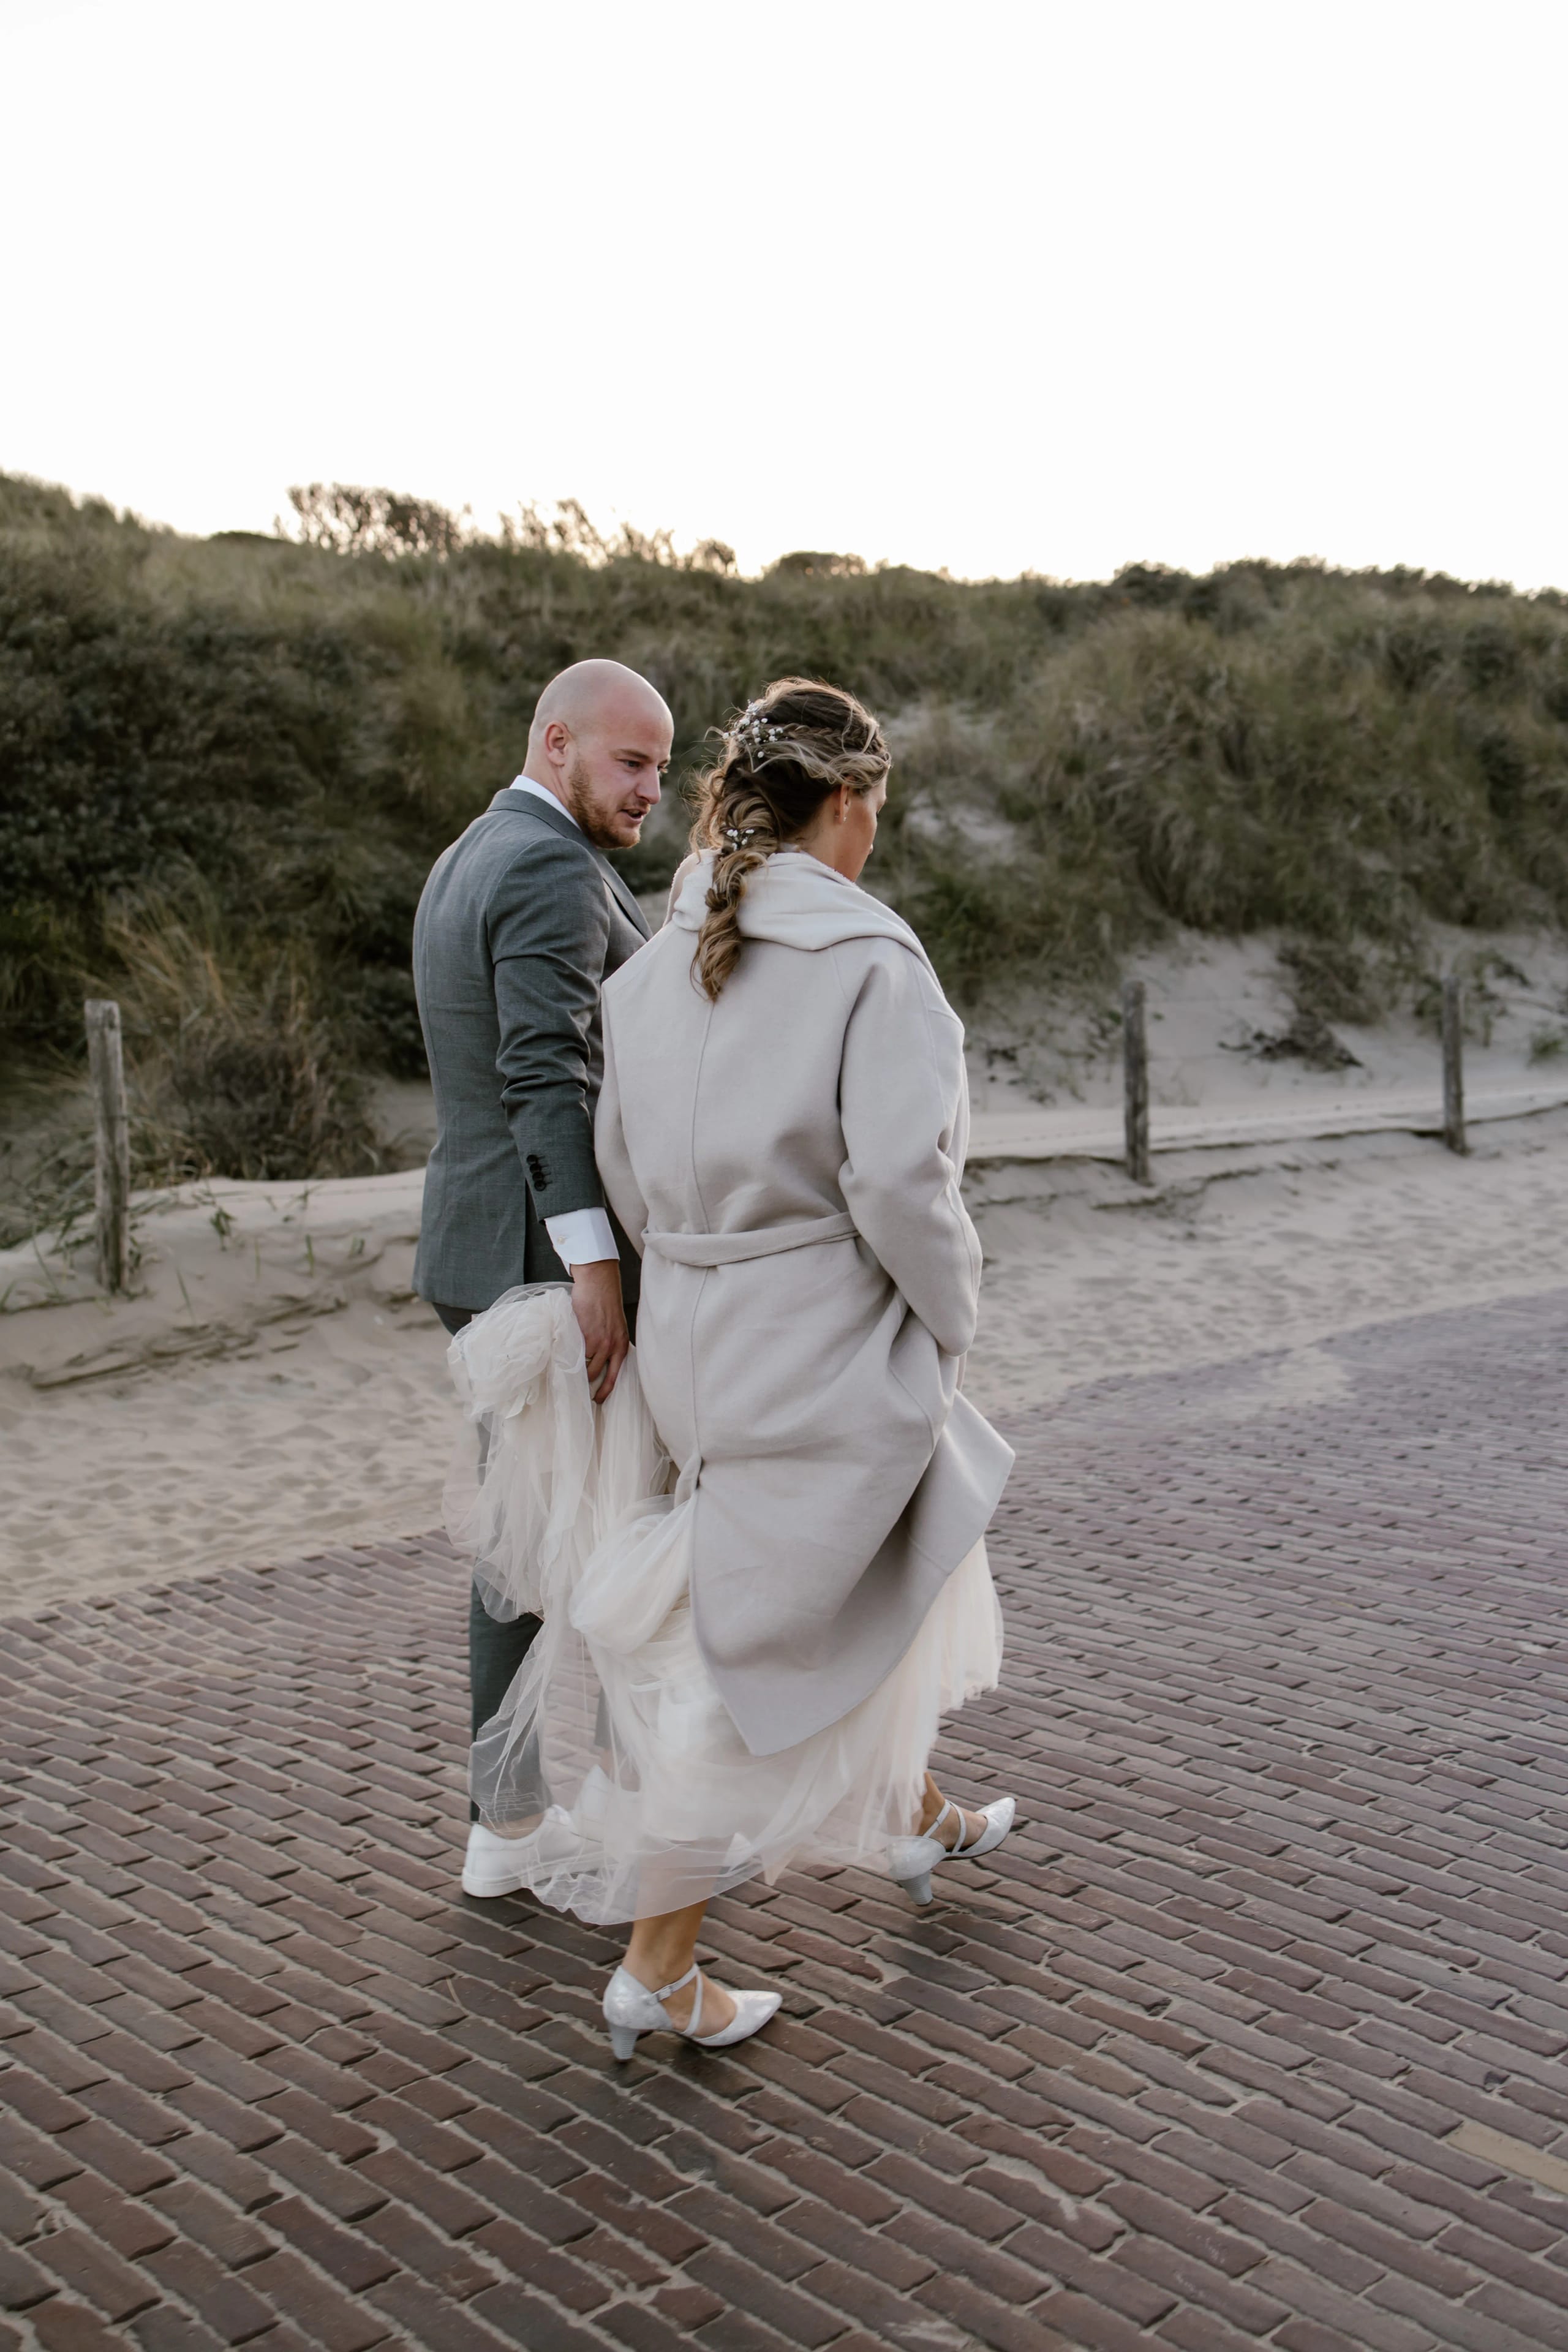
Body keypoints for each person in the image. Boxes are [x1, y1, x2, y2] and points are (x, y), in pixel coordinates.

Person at [453, 677, 1016, 2058]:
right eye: (872, 808)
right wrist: (948, 1314)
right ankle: (656, 1967)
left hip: (697, 1351)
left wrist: (693, 1279)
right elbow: (902, 1183)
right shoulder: (874, 967)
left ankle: (909, 1808)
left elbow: (625, 1177)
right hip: (819, 1341)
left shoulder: (656, 966)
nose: (872, 834)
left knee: (845, 1567)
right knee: (752, 1643)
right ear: (842, 803)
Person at [412, 658, 673, 1896]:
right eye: (631, 763)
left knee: (516, 1544)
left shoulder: (470, 851)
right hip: (541, 1264)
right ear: (557, 740)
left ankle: (505, 1830)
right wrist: (596, 1265)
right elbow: (540, 1076)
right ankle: (635, 1823)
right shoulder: (550, 868)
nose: (651, 792)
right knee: (624, 1532)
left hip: (474, 1246)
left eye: (664, 772)